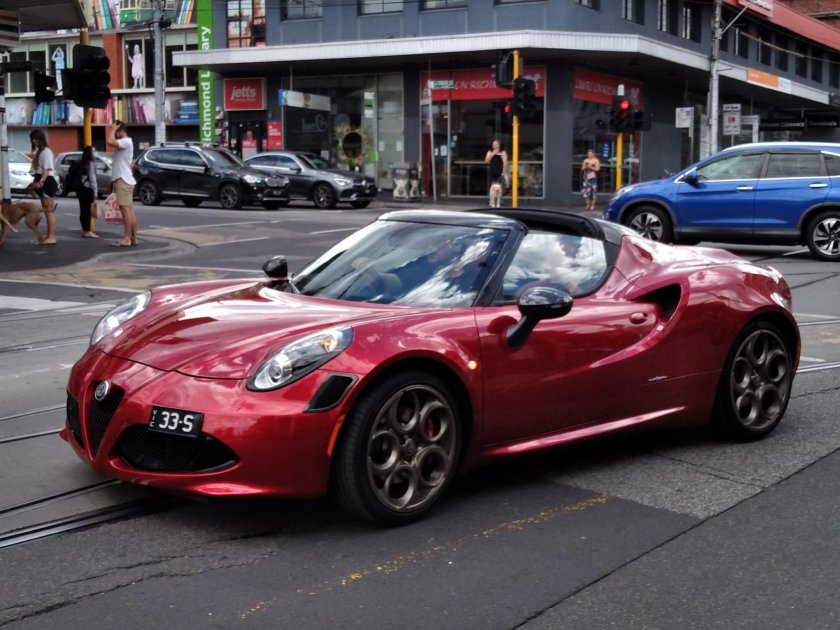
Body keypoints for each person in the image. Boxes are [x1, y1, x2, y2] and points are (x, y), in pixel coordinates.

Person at [106, 121, 138, 247]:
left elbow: (110, 142)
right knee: (129, 210)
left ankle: (127, 238)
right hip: (125, 179)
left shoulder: (126, 141)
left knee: (125, 210)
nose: (115, 133)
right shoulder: (126, 143)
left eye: (116, 131)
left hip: (122, 179)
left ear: (120, 130)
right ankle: (133, 238)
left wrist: (112, 129)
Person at [29, 129, 58, 245]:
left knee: (49, 210)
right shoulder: (40, 152)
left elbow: (47, 170)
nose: (34, 141)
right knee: (47, 211)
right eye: (32, 139)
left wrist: (41, 182)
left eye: (35, 139)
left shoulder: (46, 152)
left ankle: (52, 237)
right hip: (42, 181)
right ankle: (49, 235)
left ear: (40, 139)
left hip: (46, 182)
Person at [75, 145, 99, 238]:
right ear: (90, 153)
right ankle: (88, 231)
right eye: (93, 151)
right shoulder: (90, 163)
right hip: (88, 189)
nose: (95, 152)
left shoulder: (81, 162)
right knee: (88, 211)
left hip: (80, 189)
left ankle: (84, 230)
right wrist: (95, 191)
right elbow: (93, 179)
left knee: (83, 210)